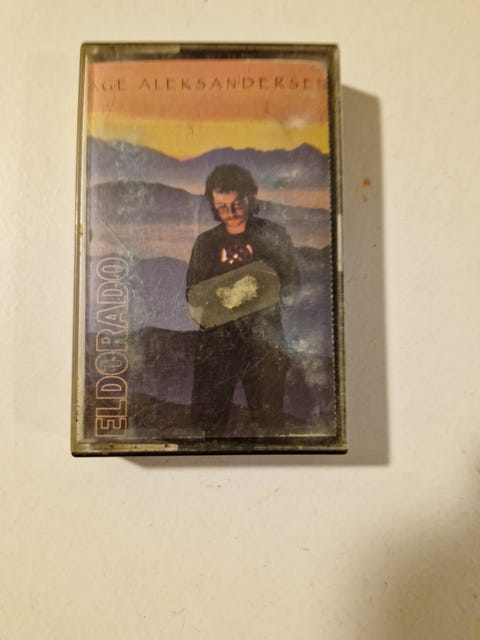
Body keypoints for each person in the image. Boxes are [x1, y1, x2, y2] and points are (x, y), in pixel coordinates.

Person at [186, 164, 299, 435]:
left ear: (252, 196)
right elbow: (193, 296)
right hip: (218, 344)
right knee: (209, 425)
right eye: (222, 207)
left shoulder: (273, 235)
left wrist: (259, 291)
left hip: (263, 342)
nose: (231, 212)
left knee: (269, 422)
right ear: (213, 205)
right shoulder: (205, 243)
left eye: (237, 204)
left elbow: (292, 285)